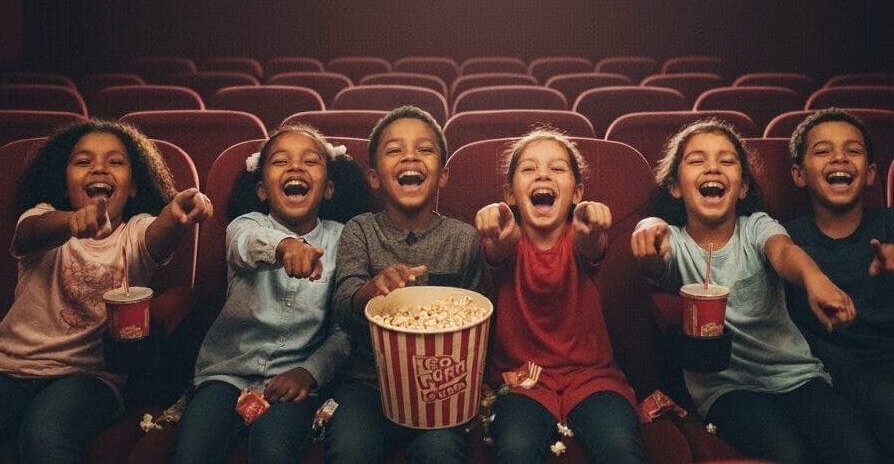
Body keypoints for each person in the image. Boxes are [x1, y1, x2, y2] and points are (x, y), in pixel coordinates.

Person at [630, 119, 881, 464]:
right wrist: (648, 228)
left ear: (743, 186)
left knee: (859, 453)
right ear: (675, 186)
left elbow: (784, 253)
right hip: (725, 389)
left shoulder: (757, 227)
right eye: (697, 160)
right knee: (789, 455)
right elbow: (654, 263)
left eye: (727, 160)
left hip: (798, 374)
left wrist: (814, 280)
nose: (713, 167)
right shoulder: (674, 241)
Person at [0, 120, 212, 464]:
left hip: (90, 378)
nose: (99, 167)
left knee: (44, 435)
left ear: (133, 187)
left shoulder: (135, 231)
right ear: (64, 182)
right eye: (83, 162)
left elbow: (157, 234)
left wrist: (176, 213)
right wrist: (70, 222)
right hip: (9, 366)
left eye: (115, 162)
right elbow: (31, 234)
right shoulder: (41, 217)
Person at [171, 124, 367, 464]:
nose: (295, 167)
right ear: (262, 190)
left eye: (310, 161)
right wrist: (286, 247)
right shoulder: (244, 226)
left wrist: (308, 373)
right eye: (280, 161)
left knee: (275, 453)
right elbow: (245, 247)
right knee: (191, 454)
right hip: (225, 374)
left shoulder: (344, 239)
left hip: (294, 380)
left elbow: (343, 331)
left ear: (329, 189)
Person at [325, 106, 484, 464]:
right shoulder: (360, 231)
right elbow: (343, 309)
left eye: (424, 150)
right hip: (368, 382)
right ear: (374, 178)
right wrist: (372, 290)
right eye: (394, 150)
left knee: (442, 451)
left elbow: (478, 325)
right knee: (349, 448)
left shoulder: (464, 239)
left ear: (443, 176)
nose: (410, 156)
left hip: (444, 384)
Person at [475, 129, 644, 464]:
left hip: (593, 377)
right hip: (522, 380)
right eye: (529, 168)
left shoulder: (582, 237)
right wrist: (497, 227)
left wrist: (591, 227)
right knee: (516, 450)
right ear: (510, 193)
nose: (542, 174)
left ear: (577, 191)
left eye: (557, 169)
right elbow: (499, 249)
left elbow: (591, 245)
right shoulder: (506, 239)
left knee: (620, 448)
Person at [785, 108, 894, 458]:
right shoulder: (786, 241)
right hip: (834, 378)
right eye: (822, 151)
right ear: (799, 175)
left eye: (853, 150)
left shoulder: (890, 225)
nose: (839, 158)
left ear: (871, 174)